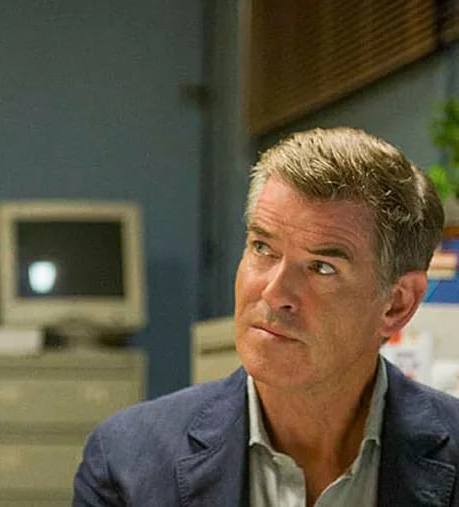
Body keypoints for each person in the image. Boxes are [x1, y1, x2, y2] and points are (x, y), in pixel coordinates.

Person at [73, 127, 459, 506]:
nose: (274, 293)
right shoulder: (125, 463)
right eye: (262, 247)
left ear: (397, 305)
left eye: (321, 267)